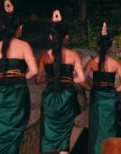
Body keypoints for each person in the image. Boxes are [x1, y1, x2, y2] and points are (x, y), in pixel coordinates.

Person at [0, 0, 38, 153]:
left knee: (0, 135)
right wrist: (20, 78)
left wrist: (1, 76)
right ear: (19, 28)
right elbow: (34, 71)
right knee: (14, 134)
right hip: (17, 94)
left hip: (0, 96)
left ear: (3, 28)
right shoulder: (24, 46)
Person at [36, 10, 90, 154]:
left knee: (48, 134)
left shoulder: (44, 56)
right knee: (65, 136)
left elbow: (38, 79)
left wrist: (50, 78)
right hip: (67, 96)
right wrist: (69, 79)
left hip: (50, 96)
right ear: (66, 37)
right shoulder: (73, 55)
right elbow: (82, 79)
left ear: (50, 37)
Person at [84, 22, 121, 154]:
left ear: (97, 47)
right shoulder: (115, 63)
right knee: (109, 127)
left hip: (96, 96)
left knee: (96, 127)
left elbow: (81, 80)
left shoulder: (91, 62)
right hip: (109, 97)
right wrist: (116, 90)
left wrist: (89, 88)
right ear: (110, 47)